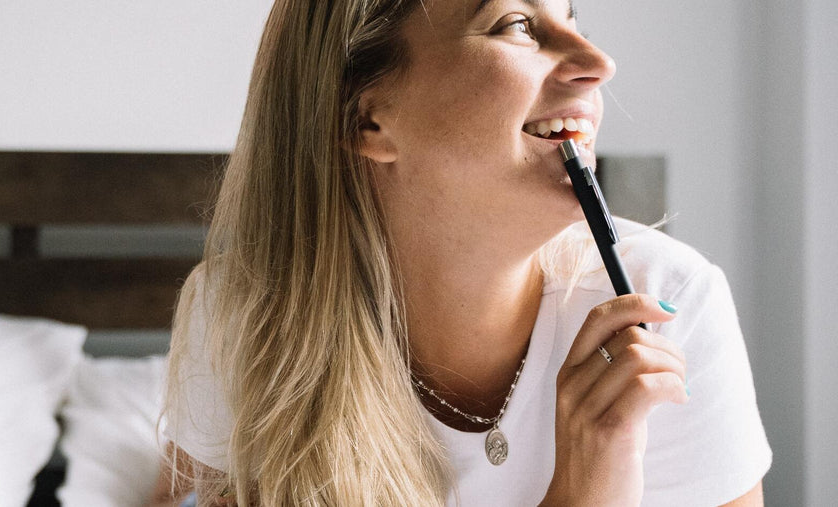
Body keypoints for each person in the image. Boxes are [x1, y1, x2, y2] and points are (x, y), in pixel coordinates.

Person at [152, 0, 772, 505]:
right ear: (368, 120)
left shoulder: (668, 304)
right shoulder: (245, 314)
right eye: (518, 25)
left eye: (574, 19)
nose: (599, 62)